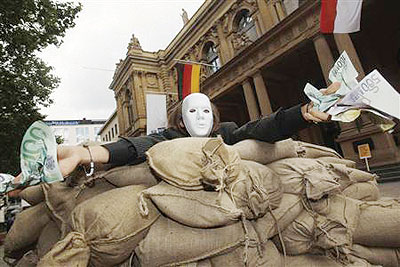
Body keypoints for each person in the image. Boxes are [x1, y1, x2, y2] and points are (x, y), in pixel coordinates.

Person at [53, 82, 340, 179]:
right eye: (192, 111)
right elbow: (134, 147)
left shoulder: (226, 133)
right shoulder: (168, 138)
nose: (200, 116)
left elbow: (260, 128)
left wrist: (301, 113)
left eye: (206, 111)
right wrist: (83, 153)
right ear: (180, 122)